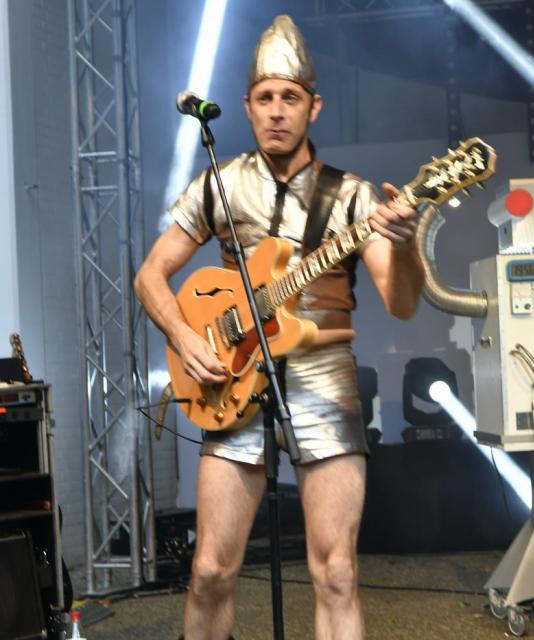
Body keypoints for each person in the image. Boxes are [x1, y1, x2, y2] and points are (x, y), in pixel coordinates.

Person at [135, 15, 424, 640]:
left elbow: (401, 302)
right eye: (264, 97)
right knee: (210, 570)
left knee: (337, 573)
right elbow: (151, 275)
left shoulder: (353, 197)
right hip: (233, 376)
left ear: (313, 107)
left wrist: (405, 245)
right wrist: (186, 337)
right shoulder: (220, 183)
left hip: (324, 373)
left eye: (290, 97)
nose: (276, 111)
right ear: (246, 106)